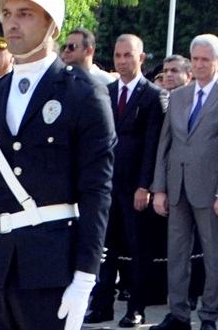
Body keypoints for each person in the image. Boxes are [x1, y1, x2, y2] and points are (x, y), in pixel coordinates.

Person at [0, 0, 114, 330]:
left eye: (25, 14)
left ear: (51, 25)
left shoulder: (82, 94)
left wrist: (86, 275)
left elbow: (96, 191)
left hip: (51, 266)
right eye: (8, 13)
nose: (12, 23)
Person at [150, 34, 218, 330]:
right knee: (176, 254)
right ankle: (178, 314)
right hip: (177, 186)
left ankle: (209, 316)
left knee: (214, 256)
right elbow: (165, 145)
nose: (200, 64)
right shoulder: (179, 95)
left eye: (206, 59)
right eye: (195, 59)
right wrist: (159, 188)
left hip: (212, 191)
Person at [85, 35, 169, 327]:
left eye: (128, 55)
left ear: (141, 58)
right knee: (105, 249)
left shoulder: (152, 95)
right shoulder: (106, 92)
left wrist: (145, 185)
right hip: (107, 185)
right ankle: (102, 305)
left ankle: (136, 307)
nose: (122, 61)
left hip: (135, 187)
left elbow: (152, 145)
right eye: (118, 55)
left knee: (137, 250)